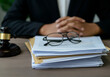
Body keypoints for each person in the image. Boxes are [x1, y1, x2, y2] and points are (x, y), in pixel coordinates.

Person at [1, 0, 110, 38]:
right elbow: (8, 23)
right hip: (42, 55)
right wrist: (43, 29)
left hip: (86, 52)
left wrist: (95, 27)